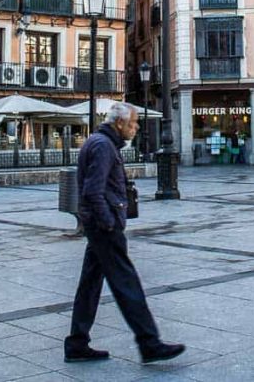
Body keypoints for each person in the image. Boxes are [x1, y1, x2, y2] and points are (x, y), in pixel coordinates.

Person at [65, 102, 185, 365]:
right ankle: (149, 343)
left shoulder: (100, 143)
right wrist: (108, 222)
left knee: (90, 284)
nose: (137, 127)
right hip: (104, 227)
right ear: (119, 123)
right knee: (126, 283)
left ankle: (77, 343)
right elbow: (92, 191)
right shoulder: (103, 146)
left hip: (98, 225)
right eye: (133, 123)